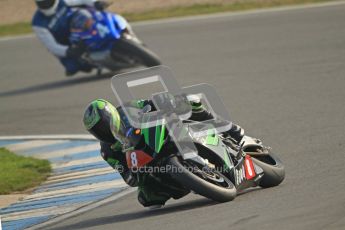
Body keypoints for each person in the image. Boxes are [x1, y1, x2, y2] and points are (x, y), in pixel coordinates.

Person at [83, 98, 245, 208]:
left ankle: (228, 128)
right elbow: (125, 174)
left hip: (162, 135)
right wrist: (131, 175)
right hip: (150, 163)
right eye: (98, 130)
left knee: (190, 102)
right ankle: (187, 181)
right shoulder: (107, 152)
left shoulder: (128, 108)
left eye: (103, 124)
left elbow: (151, 103)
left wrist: (160, 104)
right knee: (147, 199)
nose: (103, 131)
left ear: (111, 115)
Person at [32, 0, 108, 76]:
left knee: (81, 15)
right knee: (74, 67)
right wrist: (68, 51)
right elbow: (51, 45)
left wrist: (95, 2)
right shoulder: (38, 23)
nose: (46, 4)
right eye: (42, 3)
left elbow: (82, 0)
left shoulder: (62, 1)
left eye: (47, 1)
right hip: (66, 43)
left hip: (79, 26)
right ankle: (93, 61)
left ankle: (106, 31)